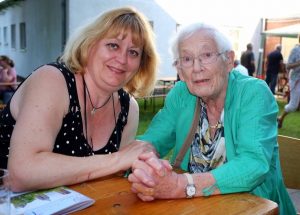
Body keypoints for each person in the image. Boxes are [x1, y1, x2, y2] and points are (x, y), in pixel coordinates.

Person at [128, 23, 296, 214]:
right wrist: (144, 168)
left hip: (254, 208)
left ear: (229, 61)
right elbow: (152, 141)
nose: (197, 68)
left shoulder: (253, 94)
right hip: (192, 208)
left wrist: (181, 185)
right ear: (180, 70)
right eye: (187, 59)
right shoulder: (181, 94)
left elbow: (253, 163)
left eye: (206, 55)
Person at [0, 7, 159, 192]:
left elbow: (111, 179)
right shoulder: (52, 80)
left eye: (133, 52)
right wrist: (119, 159)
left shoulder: (129, 108)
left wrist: (143, 167)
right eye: (113, 45)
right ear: (89, 44)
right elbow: (22, 173)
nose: (122, 59)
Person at [277, 40, 300, 128]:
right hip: (296, 80)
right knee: (293, 106)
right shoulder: (295, 50)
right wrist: (299, 63)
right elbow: (288, 66)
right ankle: (280, 118)